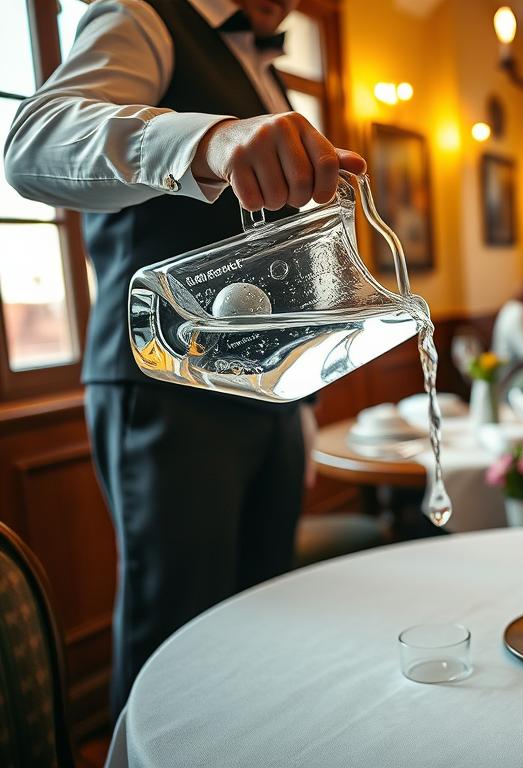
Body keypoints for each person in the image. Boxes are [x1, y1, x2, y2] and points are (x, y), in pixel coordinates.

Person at [4, 0, 365, 717]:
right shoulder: (144, 14)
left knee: (258, 622)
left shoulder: (265, 69)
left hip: (271, 396)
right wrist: (212, 141)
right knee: (172, 629)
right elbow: (34, 142)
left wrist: (301, 402)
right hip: (166, 387)